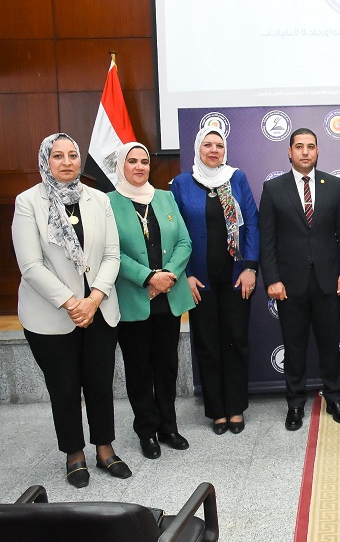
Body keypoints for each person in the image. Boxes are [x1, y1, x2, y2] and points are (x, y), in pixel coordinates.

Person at [12, 133, 130, 488]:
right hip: (51, 315)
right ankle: (74, 453)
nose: (67, 162)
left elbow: (112, 255)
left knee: (99, 382)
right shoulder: (28, 202)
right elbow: (31, 266)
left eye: (73, 155)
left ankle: (105, 448)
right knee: (64, 387)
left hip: (99, 309)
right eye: (58, 156)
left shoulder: (98, 199)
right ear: (45, 161)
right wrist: (71, 302)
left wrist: (93, 299)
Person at [259, 128, 340, 431]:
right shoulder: (274, 188)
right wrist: (272, 279)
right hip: (289, 284)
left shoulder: (333, 185)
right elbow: (267, 241)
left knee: (329, 344)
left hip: (328, 281)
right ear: (289, 151)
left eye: (310, 147)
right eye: (298, 146)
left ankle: (335, 398)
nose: (304, 152)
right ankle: (295, 404)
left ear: (317, 151)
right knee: (295, 346)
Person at [171, 125, 259, 434]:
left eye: (218, 145)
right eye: (207, 145)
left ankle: (235, 408)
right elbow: (175, 234)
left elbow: (251, 223)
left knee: (236, 342)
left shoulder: (237, 179)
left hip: (236, 279)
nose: (213, 150)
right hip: (200, 283)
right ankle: (217, 411)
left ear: (225, 150)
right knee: (208, 345)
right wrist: (186, 276)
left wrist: (250, 267)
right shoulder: (182, 184)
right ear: (198, 149)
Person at [109, 142, 195, 458]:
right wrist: (148, 277)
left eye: (144, 161)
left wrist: (168, 275)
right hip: (135, 297)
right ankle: (147, 430)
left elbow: (184, 242)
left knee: (166, 365)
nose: (140, 167)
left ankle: (168, 427)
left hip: (168, 296)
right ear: (122, 166)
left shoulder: (165, 198)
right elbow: (110, 252)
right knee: (139, 368)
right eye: (132, 161)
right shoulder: (108, 203)